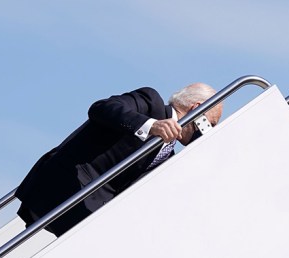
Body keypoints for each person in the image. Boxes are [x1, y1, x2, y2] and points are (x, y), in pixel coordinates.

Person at [15, 83, 222, 236]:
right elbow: (101, 108)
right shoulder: (151, 103)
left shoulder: (170, 156)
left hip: (92, 210)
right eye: (210, 124)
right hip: (67, 186)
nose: (208, 132)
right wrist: (150, 125)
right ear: (196, 109)